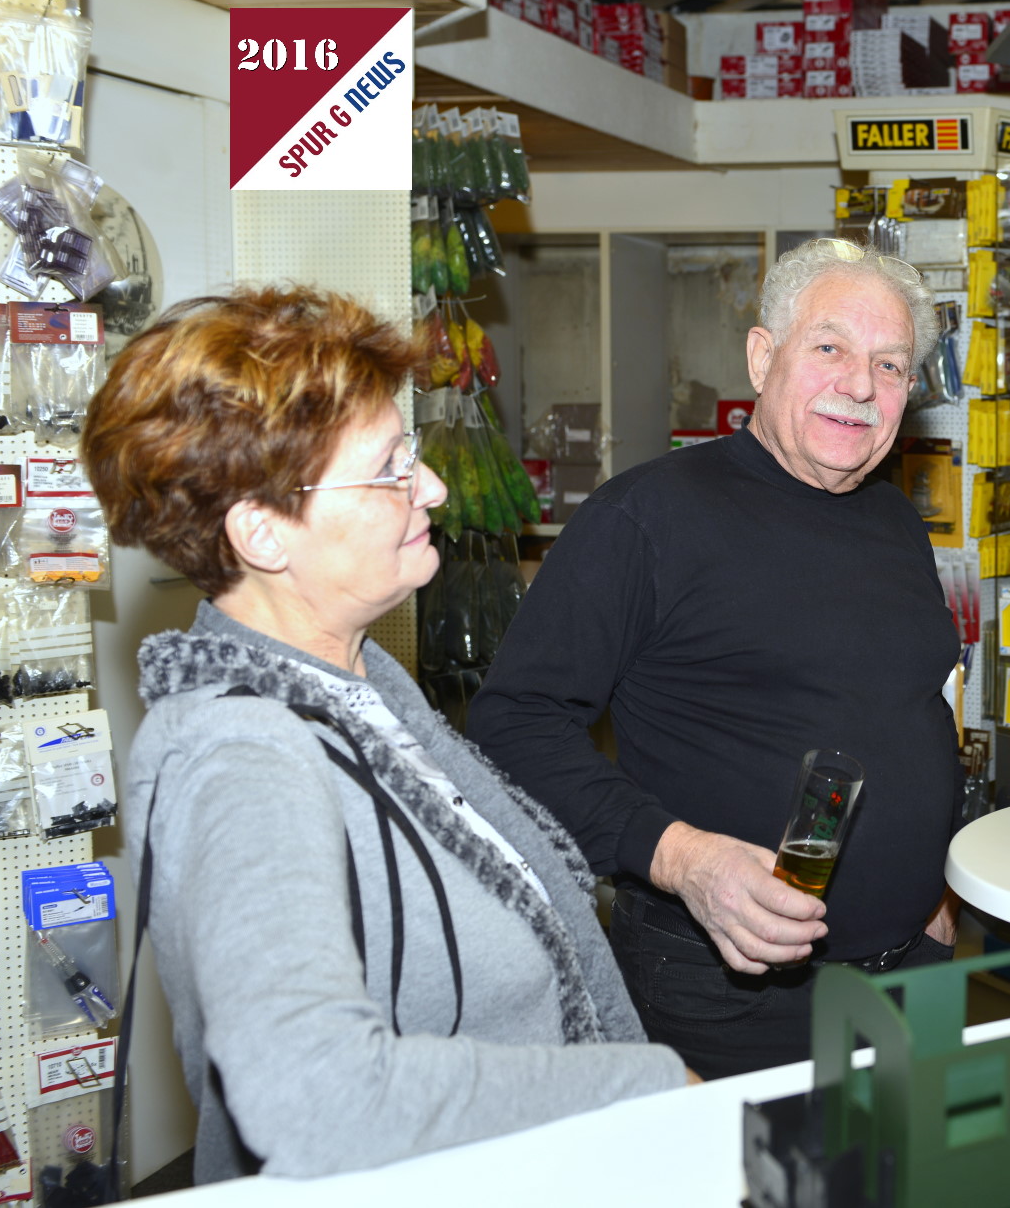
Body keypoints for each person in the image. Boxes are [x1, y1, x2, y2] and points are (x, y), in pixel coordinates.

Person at [81, 289, 686, 1183]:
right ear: (263, 531)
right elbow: (313, 1096)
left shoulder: (364, 683)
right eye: (390, 465)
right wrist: (642, 1087)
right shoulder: (241, 754)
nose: (432, 485)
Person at [467, 238, 961, 1080]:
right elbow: (511, 725)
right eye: (830, 347)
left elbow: (907, 705)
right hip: (729, 997)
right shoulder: (646, 520)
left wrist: (931, 891)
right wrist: (682, 856)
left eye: (889, 364)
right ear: (764, 356)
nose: (859, 384)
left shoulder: (895, 521)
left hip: (910, 974)